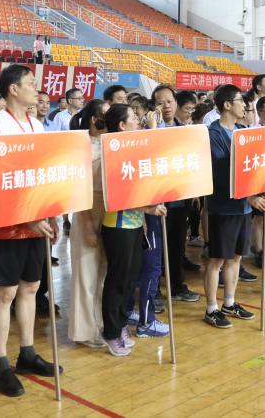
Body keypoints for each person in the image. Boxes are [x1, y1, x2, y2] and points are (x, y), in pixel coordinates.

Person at [0, 65, 60, 396]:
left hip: (36, 219)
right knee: (6, 293)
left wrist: (51, 213)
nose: (37, 89)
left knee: (31, 287)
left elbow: (41, 174)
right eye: (30, 84)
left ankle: (27, 353)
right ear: (13, 89)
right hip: (9, 222)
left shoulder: (36, 124)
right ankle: (0, 364)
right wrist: (26, 218)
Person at [98, 105, 166, 354]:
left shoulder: (132, 151)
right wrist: (148, 208)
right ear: (122, 126)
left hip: (135, 224)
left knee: (130, 280)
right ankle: (111, 332)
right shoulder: (113, 154)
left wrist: (144, 214)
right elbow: (118, 194)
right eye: (134, 118)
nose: (139, 121)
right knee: (118, 281)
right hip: (118, 226)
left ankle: (121, 323)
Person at [204, 85, 265, 327]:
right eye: (240, 100)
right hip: (224, 207)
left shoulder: (242, 132)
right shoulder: (213, 134)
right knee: (217, 259)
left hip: (244, 208)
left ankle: (229, 303)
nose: (245, 105)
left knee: (236, 257)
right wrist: (250, 197)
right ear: (227, 105)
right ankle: (211, 308)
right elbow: (222, 173)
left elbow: (254, 168)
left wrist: (261, 191)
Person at [150, 86, 200, 304]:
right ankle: (153, 291)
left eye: (169, 101)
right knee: (156, 248)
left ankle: (177, 286)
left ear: (176, 103)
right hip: (158, 200)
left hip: (181, 198)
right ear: (154, 106)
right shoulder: (148, 131)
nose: (166, 106)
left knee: (178, 244)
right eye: (160, 102)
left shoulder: (185, 130)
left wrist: (195, 190)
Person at [67, 100, 109, 348]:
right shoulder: (80, 145)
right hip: (87, 211)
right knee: (86, 275)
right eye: (105, 115)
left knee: (102, 273)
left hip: (108, 210)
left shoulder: (111, 143)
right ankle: (84, 331)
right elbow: (77, 189)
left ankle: (100, 323)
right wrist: (87, 225)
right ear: (94, 119)